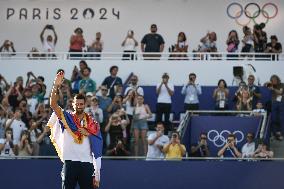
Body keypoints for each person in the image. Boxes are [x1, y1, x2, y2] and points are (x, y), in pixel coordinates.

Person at [48, 71, 102, 188]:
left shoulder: (92, 123)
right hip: (70, 162)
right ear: (73, 104)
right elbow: (53, 104)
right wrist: (55, 86)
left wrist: (88, 133)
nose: (79, 106)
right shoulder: (66, 118)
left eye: (81, 104)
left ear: (85, 104)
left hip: (87, 163)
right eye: (77, 104)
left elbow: (98, 143)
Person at [266, 75, 284, 140]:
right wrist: (267, 84)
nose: (274, 81)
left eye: (275, 80)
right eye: (272, 80)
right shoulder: (270, 85)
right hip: (274, 103)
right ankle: (275, 133)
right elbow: (264, 85)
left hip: (281, 103)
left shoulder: (281, 85)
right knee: (273, 119)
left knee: (282, 119)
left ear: (278, 79)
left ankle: (282, 133)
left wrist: (273, 88)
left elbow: (280, 92)